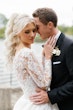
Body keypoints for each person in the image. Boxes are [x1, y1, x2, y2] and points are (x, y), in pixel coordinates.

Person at [5, 13, 56, 110]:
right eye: (27, 32)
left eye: (34, 30)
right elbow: (44, 85)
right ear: (17, 32)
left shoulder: (17, 51)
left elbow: (35, 74)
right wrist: (48, 58)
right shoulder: (27, 53)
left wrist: (42, 55)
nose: (32, 35)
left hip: (26, 102)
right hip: (37, 104)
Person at [30, 7, 73, 110]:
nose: (35, 31)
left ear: (49, 25)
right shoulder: (47, 46)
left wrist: (50, 96)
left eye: (37, 27)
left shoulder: (69, 46)